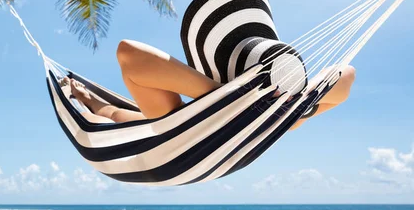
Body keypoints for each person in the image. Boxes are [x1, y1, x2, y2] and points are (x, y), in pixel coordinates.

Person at [60, 39, 356, 130]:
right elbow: (346, 78)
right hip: (179, 123)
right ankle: (85, 99)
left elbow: (347, 74)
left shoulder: (287, 119)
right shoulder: (287, 119)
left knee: (112, 114)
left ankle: (85, 101)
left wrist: (298, 98)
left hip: (179, 129)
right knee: (112, 110)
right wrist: (228, 97)